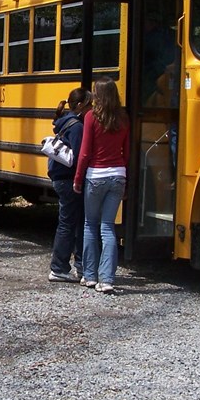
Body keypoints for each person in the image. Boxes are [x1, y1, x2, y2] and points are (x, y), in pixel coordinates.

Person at [73, 77, 130, 293]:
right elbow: (127, 152)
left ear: (98, 95)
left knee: (90, 225)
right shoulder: (124, 118)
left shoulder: (91, 117)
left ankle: (89, 275)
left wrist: (78, 179)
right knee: (108, 228)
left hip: (95, 176)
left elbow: (85, 152)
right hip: (118, 176)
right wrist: (124, 177)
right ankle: (106, 279)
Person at [47, 87, 92, 283]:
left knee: (69, 222)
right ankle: (62, 267)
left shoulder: (65, 122)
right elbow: (79, 156)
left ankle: (66, 266)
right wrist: (80, 179)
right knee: (74, 223)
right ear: (81, 105)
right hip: (69, 179)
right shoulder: (78, 127)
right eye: (90, 104)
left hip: (60, 178)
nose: (92, 108)